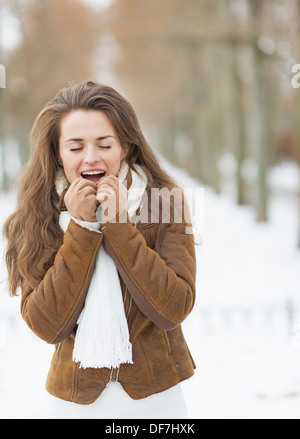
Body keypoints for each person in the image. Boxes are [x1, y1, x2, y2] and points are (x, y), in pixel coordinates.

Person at [3, 80, 196, 419]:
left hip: (157, 400)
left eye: (104, 144)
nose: (91, 157)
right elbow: (47, 325)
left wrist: (119, 225)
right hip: (71, 403)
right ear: (58, 155)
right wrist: (82, 228)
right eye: (75, 147)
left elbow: (173, 308)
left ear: (125, 147)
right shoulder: (36, 215)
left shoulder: (166, 203)